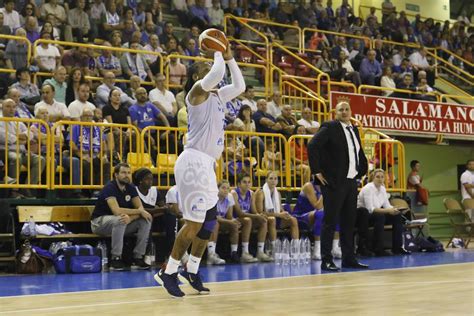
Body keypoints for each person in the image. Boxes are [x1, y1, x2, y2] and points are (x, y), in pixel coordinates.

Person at [154, 41, 245, 297]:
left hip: (207, 164)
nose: (213, 71)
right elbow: (216, 73)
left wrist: (229, 58)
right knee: (193, 224)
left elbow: (240, 86)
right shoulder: (196, 93)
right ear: (197, 76)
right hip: (193, 161)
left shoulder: (217, 95)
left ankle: (191, 268)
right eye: (206, 68)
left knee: (208, 224)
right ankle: (168, 270)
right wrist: (218, 51)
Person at [308, 101, 369, 271]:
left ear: (351, 111)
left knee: (349, 222)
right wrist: (316, 171)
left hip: (351, 182)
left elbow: (357, 152)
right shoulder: (330, 127)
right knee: (330, 221)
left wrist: (363, 169)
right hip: (334, 182)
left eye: (346, 109)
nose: (344, 112)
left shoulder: (354, 128)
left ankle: (349, 258)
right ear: (335, 113)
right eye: (340, 110)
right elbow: (313, 145)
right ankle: (326, 260)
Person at [90, 163, 152, 271]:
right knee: (121, 219)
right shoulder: (109, 187)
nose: (126, 175)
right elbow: (116, 211)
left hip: (120, 223)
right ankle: (115, 258)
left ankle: (138, 257)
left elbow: (140, 208)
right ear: (116, 175)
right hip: (99, 223)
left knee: (145, 220)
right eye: (123, 173)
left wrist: (131, 218)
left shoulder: (131, 187)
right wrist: (139, 212)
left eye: (128, 173)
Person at [356, 169, 410, 256]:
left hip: (375, 214)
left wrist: (395, 209)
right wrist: (388, 210)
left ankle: (397, 248)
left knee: (397, 216)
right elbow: (370, 209)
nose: (380, 179)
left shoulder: (382, 188)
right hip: (362, 215)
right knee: (380, 216)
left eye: (382, 177)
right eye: (377, 177)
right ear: (373, 178)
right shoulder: (368, 188)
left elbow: (386, 205)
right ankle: (378, 248)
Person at [133, 168, 179, 264]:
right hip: (139, 221)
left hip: (155, 220)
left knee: (170, 216)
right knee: (146, 218)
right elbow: (141, 210)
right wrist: (158, 210)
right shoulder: (134, 191)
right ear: (140, 181)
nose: (150, 181)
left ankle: (170, 253)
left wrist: (163, 209)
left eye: (151, 179)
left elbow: (163, 206)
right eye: (147, 179)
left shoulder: (154, 190)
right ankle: (147, 253)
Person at [293, 180, 342, 260]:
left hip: (317, 215)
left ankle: (335, 247)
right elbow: (317, 206)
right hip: (301, 216)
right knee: (320, 214)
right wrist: (326, 192)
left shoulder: (327, 186)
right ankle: (317, 249)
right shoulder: (309, 186)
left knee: (335, 214)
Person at [230, 174, 270, 263]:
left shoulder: (251, 193)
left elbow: (254, 211)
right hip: (235, 219)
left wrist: (260, 215)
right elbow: (239, 213)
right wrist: (256, 216)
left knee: (263, 221)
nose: (247, 184)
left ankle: (260, 251)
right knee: (248, 221)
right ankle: (245, 252)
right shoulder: (234, 193)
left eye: (249, 182)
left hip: (247, 219)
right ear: (239, 184)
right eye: (244, 182)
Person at [254, 171, 300, 244]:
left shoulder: (278, 193)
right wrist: (279, 215)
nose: (273, 181)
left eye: (275, 179)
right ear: (266, 180)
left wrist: (285, 213)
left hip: (276, 217)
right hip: (264, 219)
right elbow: (260, 213)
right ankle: (274, 247)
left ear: (278, 181)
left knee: (293, 220)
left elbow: (280, 210)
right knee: (272, 219)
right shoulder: (261, 193)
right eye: (271, 178)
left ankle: (296, 248)